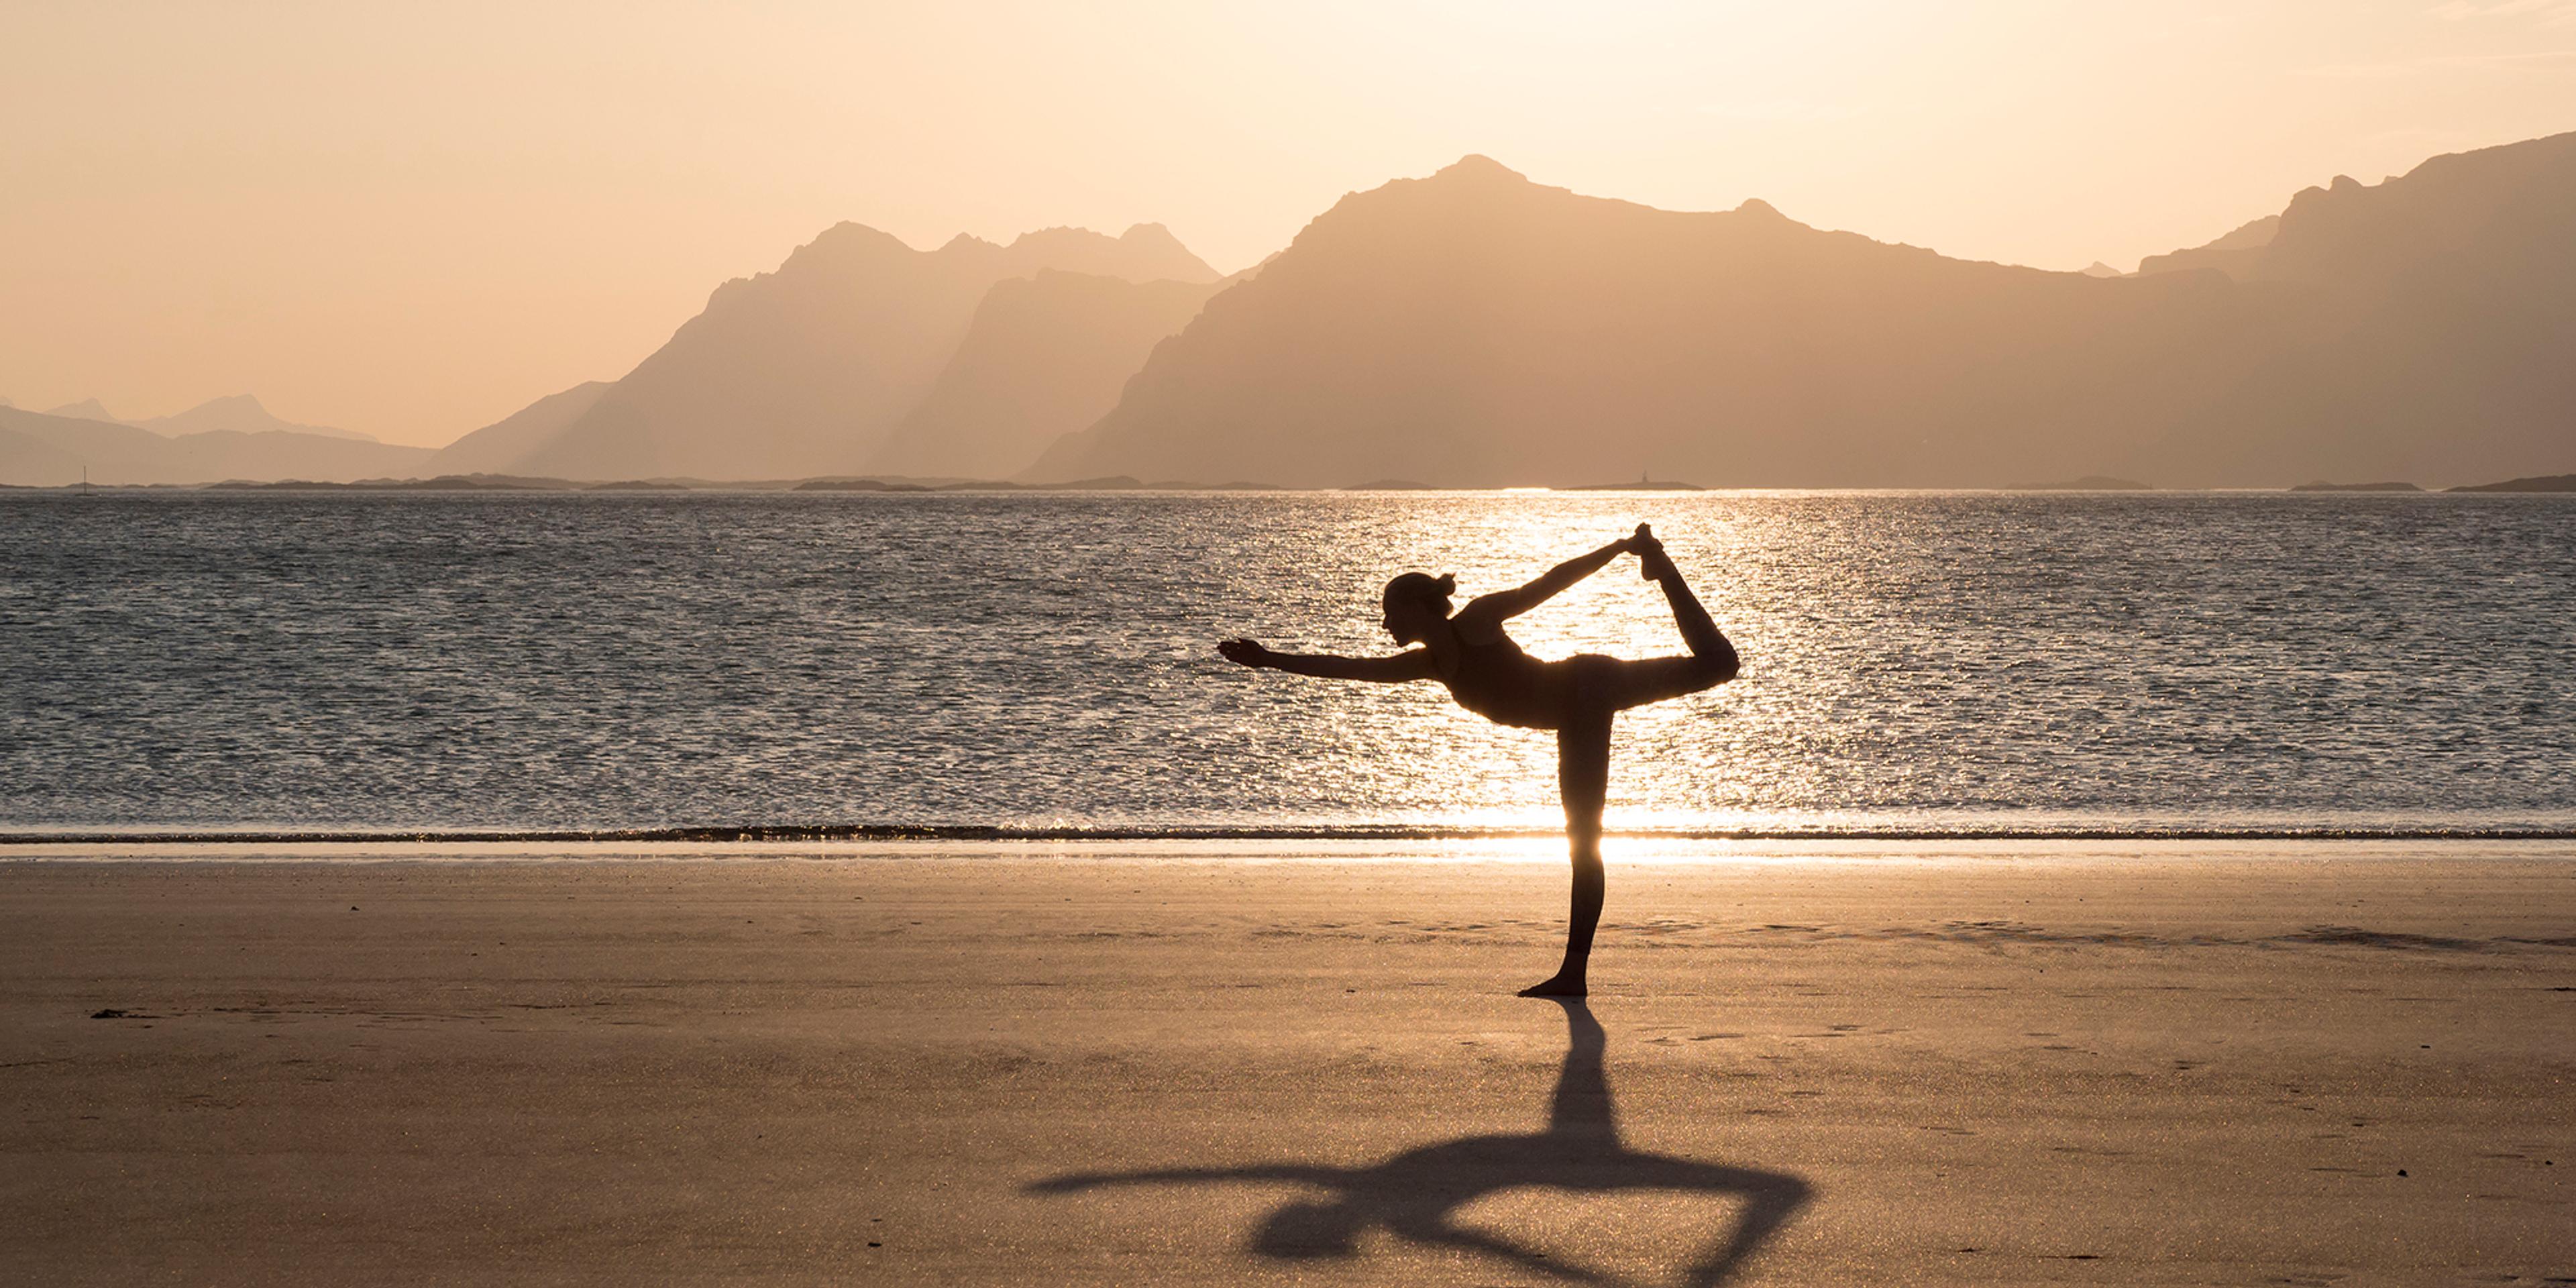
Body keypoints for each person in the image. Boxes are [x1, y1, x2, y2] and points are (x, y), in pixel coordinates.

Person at [1218, 524, 1739, 996]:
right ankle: (1573, 974)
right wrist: (1268, 661)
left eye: (1390, 613)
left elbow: (1552, 581)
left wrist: (1619, 549)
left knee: (1717, 667)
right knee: (1583, 839)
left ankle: (1657, 560)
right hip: (1573, 713)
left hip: (1587, 688)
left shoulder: (1480, 620)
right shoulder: (1429, 665)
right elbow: (1349, 668)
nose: (1384, 623)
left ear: (1417, 609)